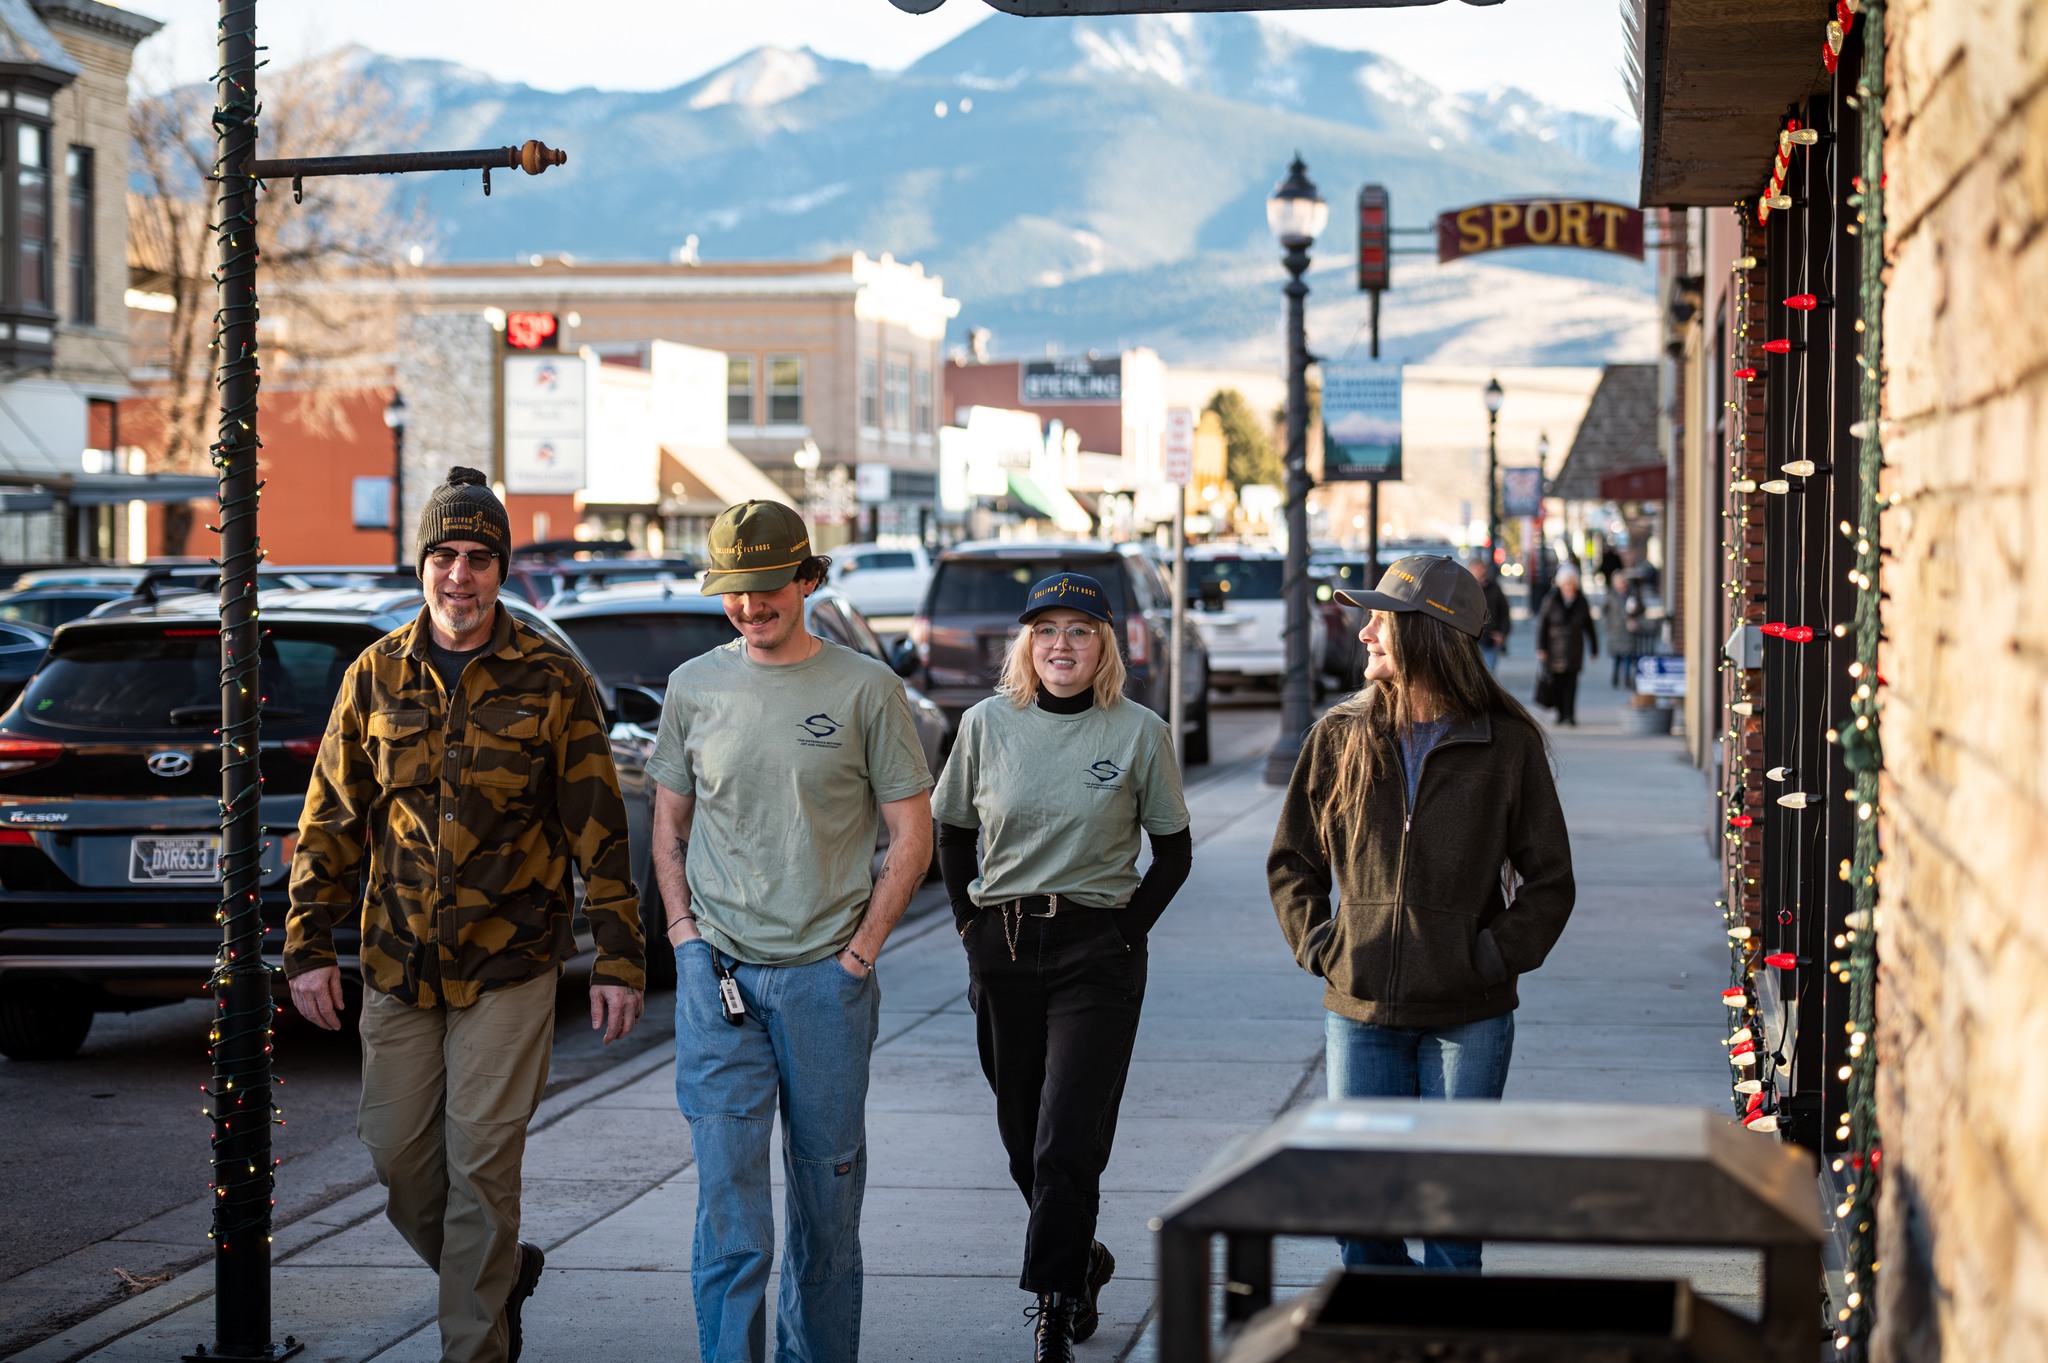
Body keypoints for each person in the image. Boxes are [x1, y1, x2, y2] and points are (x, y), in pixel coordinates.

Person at [286, 466, 646, 1363]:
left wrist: (619, 956)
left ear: (501, 569)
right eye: (443, 554)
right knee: (398, 1161)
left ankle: (474, 1348)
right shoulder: (375, 675)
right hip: (398, 959)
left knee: (482, 1167)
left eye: (478, 557)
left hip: (510, 963)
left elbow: (598, 829)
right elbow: (330, 820)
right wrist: (306, 944)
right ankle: (501, 1270)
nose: (459, 574)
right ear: (421, 565)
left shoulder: (553, 678)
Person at [647, 500, 934, 1363]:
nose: (748, 605)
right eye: (733, 590)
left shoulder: (866, 688)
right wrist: (684, 937)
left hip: (823, 985)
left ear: (808, 579)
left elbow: (912, 836)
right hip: (717, 979)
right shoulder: (693, 686)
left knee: (825, 1212)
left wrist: (859, 955)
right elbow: (668, 827)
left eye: (766, 586)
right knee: (728, 1209)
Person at [1266, 554, 1575, 1273]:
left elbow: (1550, 883)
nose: (1365, 632)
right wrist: (1325, 945)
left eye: (1382, 619)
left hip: (1468, 1016)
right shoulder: (1340, 734)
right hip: (1362, 1011)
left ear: (1429, 633)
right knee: (1363, 1222)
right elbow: (1293, 861)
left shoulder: (1506, 745)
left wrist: (1487, 957)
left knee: (1451, 1226)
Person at [932, 572, 1193, 1362]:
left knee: (1066, 1140)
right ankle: (1082, 1257)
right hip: (1004, 947)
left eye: (1079, 629)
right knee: (1024, 1138)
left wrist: (1125, 933)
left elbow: (1174, 852)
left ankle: (1053, 1307)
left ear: (1104, 644)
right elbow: (952, 833)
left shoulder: (1140, 732)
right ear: (1027, 644)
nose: (1061, 644)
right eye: (1045, 629)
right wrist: (970, 927)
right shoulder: (986, 724)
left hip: (1096, 953)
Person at [1535, 566, 1598, 725]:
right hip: (1554, 648)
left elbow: (1589, 626)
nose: (1569, 587)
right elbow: (1542, 625)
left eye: (1572, 583)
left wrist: (1594, 648)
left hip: (1574, 648)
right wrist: (1541, 647)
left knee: (1571, 682)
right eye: (1566, 583)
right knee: (1557, 682)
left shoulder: (1581, 601)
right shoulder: (1551, 599)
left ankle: (1570, 714)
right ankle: (1560, 713)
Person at [1468, 556, 1511, 672]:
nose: (1482, 572)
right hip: (1470, 639)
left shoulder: (1494, 588)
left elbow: (1504, 612)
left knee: (1488, 673)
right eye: (1478, 569)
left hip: (1490, 639)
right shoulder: (1465, 589)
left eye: (1483, 568)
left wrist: (1502, 633)